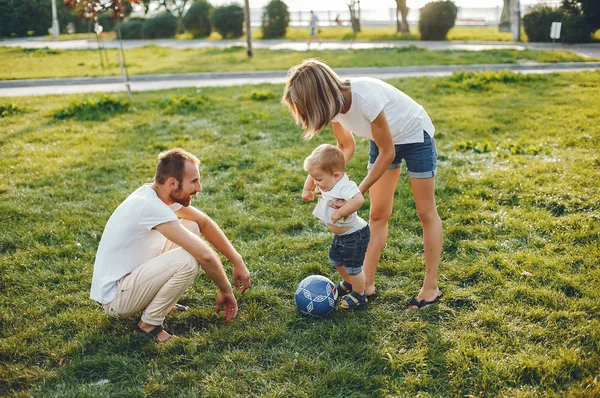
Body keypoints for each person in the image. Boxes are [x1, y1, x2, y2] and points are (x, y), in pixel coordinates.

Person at [282, 59, 443, 311]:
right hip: (382, 141)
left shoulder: (364, 96)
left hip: (414, 136)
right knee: (378, 214)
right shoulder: (334, 107)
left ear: (319, 96)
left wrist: (357, 191)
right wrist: (322, 180)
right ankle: (366, 283)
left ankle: (431, 287)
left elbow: (387, 152)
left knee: (425, 212)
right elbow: (346, 146)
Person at [90, 148, 251, 342]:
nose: (199, 188)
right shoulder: (150, 205)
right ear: (172, 183)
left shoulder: (159, 193)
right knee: (189, 259)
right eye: (194, 181)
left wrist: (237, 260)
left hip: (130, 280)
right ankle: (148, 325)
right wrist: (226, 290)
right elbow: (205, 256)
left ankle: (159, 303)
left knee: (191, 226)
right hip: (117, 299)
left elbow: (204, 223)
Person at [303, 144, 371, 309]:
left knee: (353, 267)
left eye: (319, 180)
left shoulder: (345, 186)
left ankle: (359, 294)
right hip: (341, 235)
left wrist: (340, 213)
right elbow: (312, 176)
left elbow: (358, 200)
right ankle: (348, 283)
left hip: (355, 235)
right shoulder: (326, 180)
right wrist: (307, 189)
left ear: (336, 175)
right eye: (314, 179)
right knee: (336, 260)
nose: (316, 183)